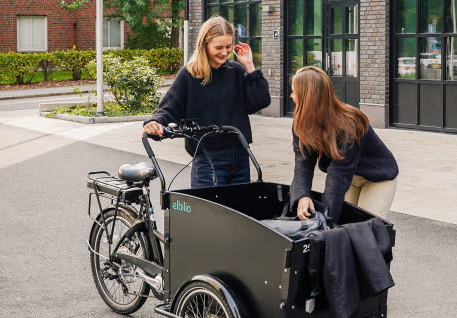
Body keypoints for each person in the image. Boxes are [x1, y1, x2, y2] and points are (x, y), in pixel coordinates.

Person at [142, 15, 270, 187]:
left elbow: (260, 101)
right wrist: (154, 122)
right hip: (208, 158)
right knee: (208, 213)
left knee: (238, 212)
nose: (224, 52)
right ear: (205, 45)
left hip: (240, 154)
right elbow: (170, 107)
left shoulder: (236, 71)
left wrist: (250, 67)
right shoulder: (189, 75)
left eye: (228, 46)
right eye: (218, 47)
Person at [290, 65, 398, 224]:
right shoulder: (301, 122)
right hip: (351, 176)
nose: (291, 95)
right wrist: (302, 195)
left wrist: (325, 222)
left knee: (365, 230)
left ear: (307, 97)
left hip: (377, 178)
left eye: (294, 92)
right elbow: (303, 162)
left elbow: (338, 175)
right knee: (342, 227)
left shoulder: (349, 123)